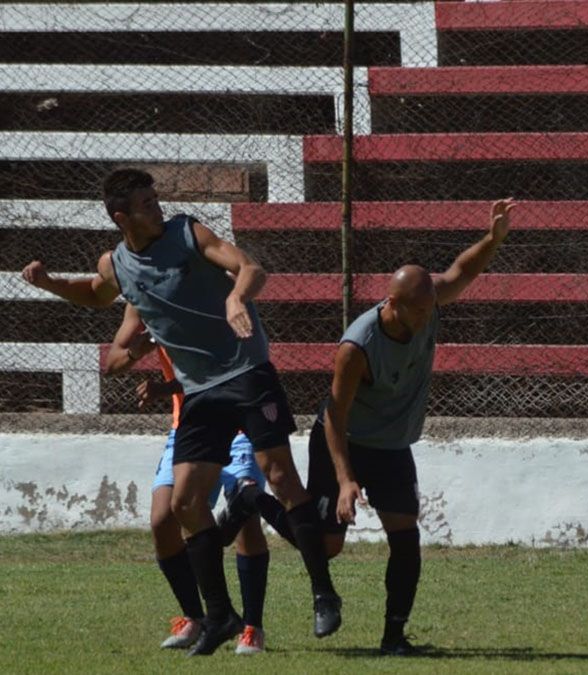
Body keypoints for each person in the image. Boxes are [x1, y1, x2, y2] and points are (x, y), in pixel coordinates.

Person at [21, 168, 339, 655]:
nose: (157, 207)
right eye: (146, 203)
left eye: (156, 198)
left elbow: (251, 267)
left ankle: (323, 592)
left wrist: (236, 296)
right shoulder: (117, 263)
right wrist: (49, 284)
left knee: (281, 477)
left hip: (247, 371)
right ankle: (219, 616)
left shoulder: (188, 233)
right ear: (121, 216)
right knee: (183, 506)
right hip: (199, 392)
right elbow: (94, 293)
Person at [311, 198, 514, 655]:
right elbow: (335, 414)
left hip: (389, 446)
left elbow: (462, 272)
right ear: (393, 303)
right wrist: (345, 480)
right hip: (341, 440)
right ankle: (252, 503)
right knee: (326, 545)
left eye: (430, 307)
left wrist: (493, 239)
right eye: (418, 311)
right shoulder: (357, 346)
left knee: (405, 539)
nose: (427, 317)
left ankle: (393, 638)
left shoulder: (427, 300)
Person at [104, 305, 272, 653]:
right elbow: (114, 363)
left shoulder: (214, 294)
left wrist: (164, 390)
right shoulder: (141, 297)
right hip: (188, 427)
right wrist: (146, 343)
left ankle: (252, 627)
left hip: (238, 420)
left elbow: (223, 369)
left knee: (246, 514)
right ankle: (197, 618)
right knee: (163, 519)